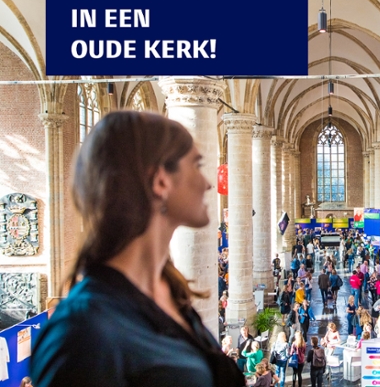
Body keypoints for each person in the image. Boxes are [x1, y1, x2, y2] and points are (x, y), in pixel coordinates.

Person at [29, 111, 245, 387]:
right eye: (196, 164)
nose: (208, 183)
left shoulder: (169, 290)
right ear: (160, 180)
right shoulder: (81, 333)